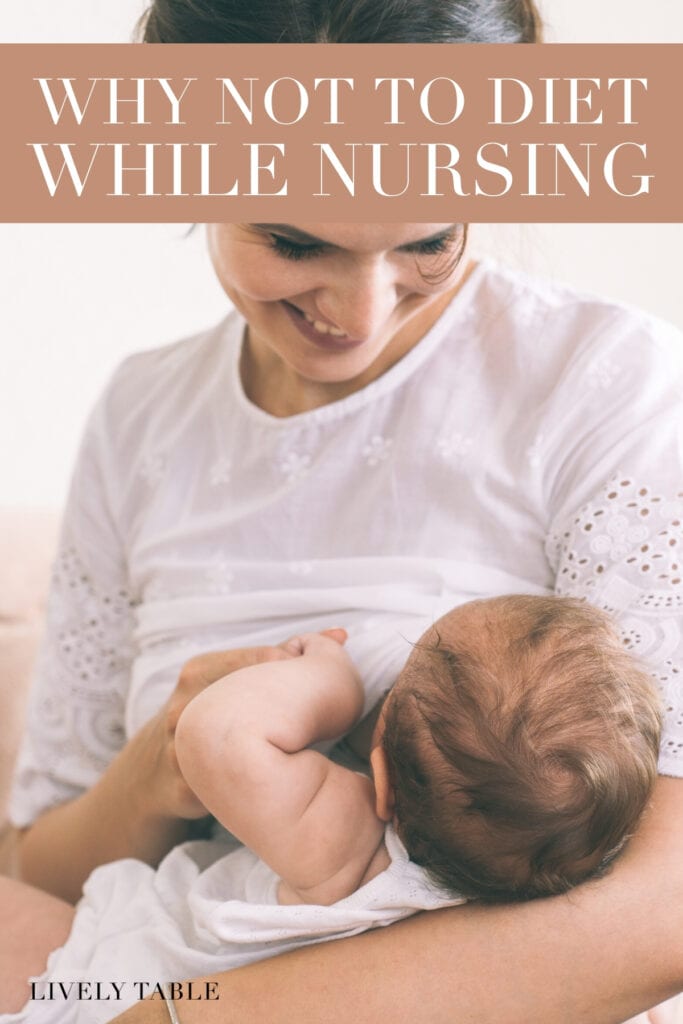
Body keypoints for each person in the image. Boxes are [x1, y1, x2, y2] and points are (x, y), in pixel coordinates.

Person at [1, 1, 682, 1021]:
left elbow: (659, 905)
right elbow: (42, 871)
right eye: (291, 239)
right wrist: (167, 760)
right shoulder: (140, 420)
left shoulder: (601, 384)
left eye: (427, 240)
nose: (360, 314)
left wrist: (180, 1014)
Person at [3, 597, 662, 1023]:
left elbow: (217, 736)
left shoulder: (351, 847)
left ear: (379, 777)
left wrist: (329, 681)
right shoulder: (558, 893)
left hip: (131, 986)